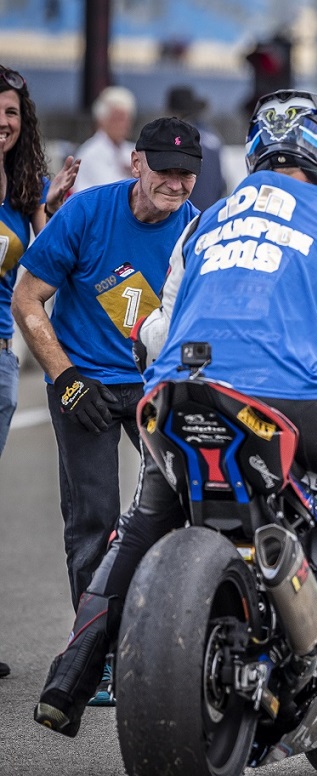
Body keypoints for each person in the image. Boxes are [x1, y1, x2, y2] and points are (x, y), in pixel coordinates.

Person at [33, 88, 317, 738]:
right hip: (287, 398)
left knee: (145, 519)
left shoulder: (204, 222)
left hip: (176, 397)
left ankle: (68, 677)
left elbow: (154, 333)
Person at [14, 116, 201, 611]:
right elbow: (27, 298)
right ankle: (92, 640)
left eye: (186, 173)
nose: (175, 184)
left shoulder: (198, 233)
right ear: (136, 163)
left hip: (155, 387)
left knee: (186, 510)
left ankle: (161, 632)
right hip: (84, 381)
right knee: (92, 521)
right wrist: (66, 378)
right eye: (164, 170)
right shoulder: (86, 212)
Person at [1, 64, 80, 459]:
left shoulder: (27, 186)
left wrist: (50, 209)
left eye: (11, 112)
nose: (3, 122)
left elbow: (51, 257)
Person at [166, 85, 227, 211]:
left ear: (174, 112)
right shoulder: (213, 136)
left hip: (188, 214)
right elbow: (222, 185)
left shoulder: (177, 137)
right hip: (211, 214)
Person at [71, 86, 136, 191]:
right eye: (118, 119)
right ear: (102, 120)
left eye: (127, 119)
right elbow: (109, 190)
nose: (124, 124)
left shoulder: (132, 149)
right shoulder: (90, 153)